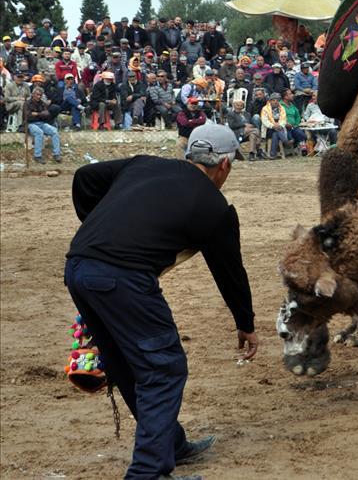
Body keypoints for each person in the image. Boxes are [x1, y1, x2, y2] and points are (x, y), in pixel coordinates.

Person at [64, 123, 257, 480]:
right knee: (163, 368)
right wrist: (245, 323)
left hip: (78, 266)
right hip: (123, 280)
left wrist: (95, 225)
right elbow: (230, 272)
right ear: (224, 165)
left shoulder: (144, 164)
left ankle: (170, 444)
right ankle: (147, 473)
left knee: (125, 365)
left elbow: (84, 176)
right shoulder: (215, 208)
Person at [24, 86, 62, 163]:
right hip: (31, 124)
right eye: (37, 94)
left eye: (40, 95)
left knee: (54, 131)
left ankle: (56, 154)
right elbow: (28, 116)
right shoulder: (27, 103)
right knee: (39, 133)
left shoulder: (42, 103)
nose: (39, 96)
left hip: (41, 123)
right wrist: (40, 114)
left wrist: (37, 114)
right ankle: (37, 156)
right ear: (33, 94)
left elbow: (47, 114)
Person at [260, 93, 290, 158]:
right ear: (270, 101)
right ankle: (285, 141)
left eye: (277, 100)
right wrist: (273, 126)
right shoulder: (265, 108)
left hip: (279, 128)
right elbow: (264, 121)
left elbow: (284, 119)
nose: (275, 102)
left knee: (276, 133)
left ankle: (272, 154)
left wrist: (280, 125)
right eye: (273, 100)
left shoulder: (282, 108)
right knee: (275, 132)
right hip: (268, 128)